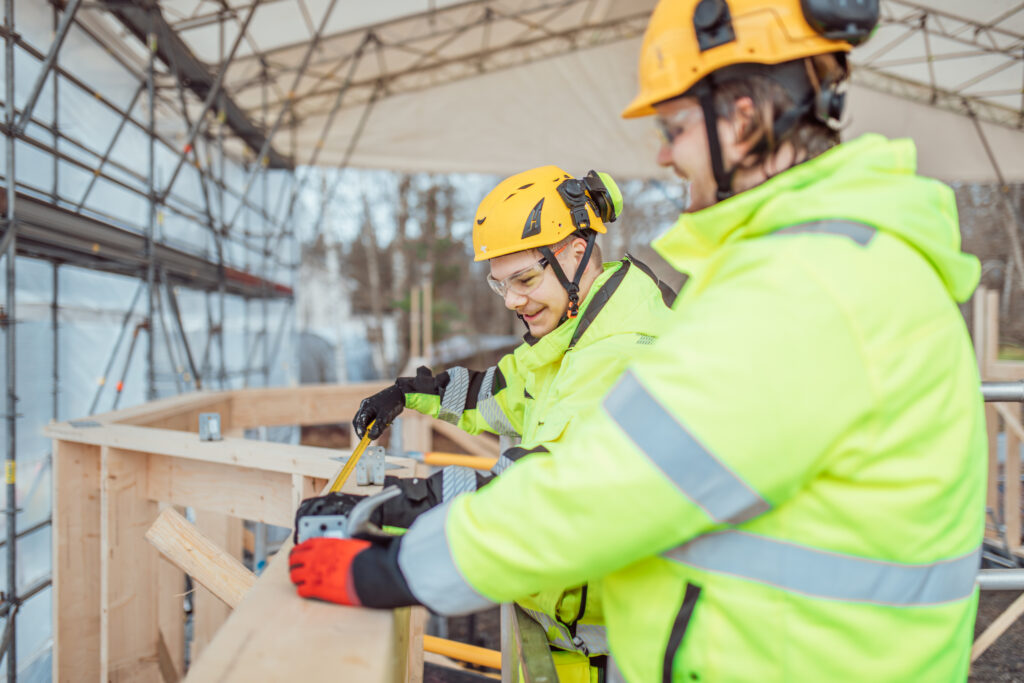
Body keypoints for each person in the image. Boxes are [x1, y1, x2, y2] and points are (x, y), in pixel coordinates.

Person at [290, 1, 987, 680]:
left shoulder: (808, 284)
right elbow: (517, 398)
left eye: (675, 124)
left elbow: (598, 489)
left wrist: (397, 560)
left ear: (742, 121)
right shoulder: (828, 263)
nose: (661, 150)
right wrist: (423, 392)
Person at [294, 165, 675, 676]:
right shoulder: (571, 336)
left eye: (524, 279)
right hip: (574, 636)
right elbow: (495, 392)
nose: (514, 301)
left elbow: (535, 492)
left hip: (626, 654)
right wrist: (410, 393)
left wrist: (402, 504)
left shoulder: (623, 353)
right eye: (501, 286)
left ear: (578, 254)